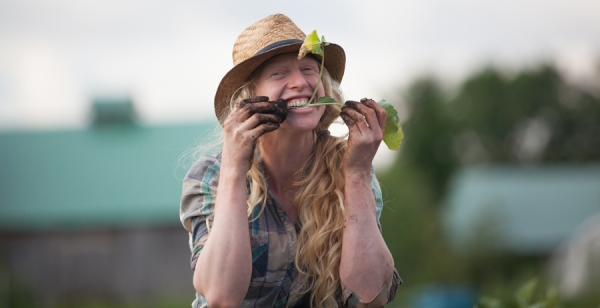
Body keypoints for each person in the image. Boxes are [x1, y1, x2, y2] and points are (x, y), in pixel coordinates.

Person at [180, 13, 401, 308]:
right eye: (279, 74)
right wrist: (234, 169)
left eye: (309, 69)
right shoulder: (214, 174)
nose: (300, 83)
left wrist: (358, 173)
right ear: (250, 95)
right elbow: (221, 297)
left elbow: (371, 294)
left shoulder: (350, 167)